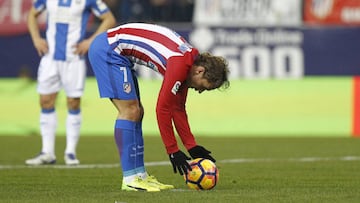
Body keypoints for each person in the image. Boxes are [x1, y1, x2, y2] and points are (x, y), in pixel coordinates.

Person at [88, 23, 230, 192]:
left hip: (117, 52)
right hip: (109, 49)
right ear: (200, 71)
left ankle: (140, 176)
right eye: (204, 87)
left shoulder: (189, 64)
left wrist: (190, 145)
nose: (200, 91)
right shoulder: (180, 64)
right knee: (130, 111)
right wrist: (172, 151)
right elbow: (162, 109)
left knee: (137, 112)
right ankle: (130, 178)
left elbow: (177, 109)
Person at [25, 0, 116, 166]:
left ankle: (70, 152)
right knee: (46, 101)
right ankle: (47, 152)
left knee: (73, 102)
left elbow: (109, 19)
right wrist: (36, 39)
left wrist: (90, 42)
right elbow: (32, 14)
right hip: (50, 57)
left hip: (74, 58)